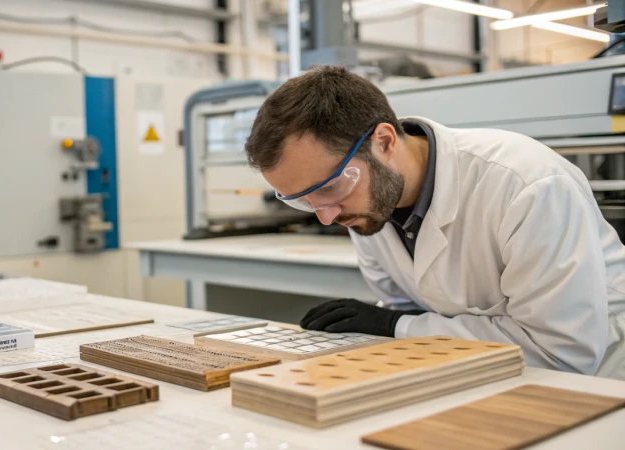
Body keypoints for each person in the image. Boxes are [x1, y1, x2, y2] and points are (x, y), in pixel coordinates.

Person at [243, 65, 625, 379]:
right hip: (477, 374)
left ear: (385, 143)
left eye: (328, 188)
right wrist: (393, 323)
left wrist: (394, 326)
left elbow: (560, 352)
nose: (325, 216)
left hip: (598, 380)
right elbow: (407, 307)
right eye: (303, 201)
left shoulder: (526, 185)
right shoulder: (363, 203)